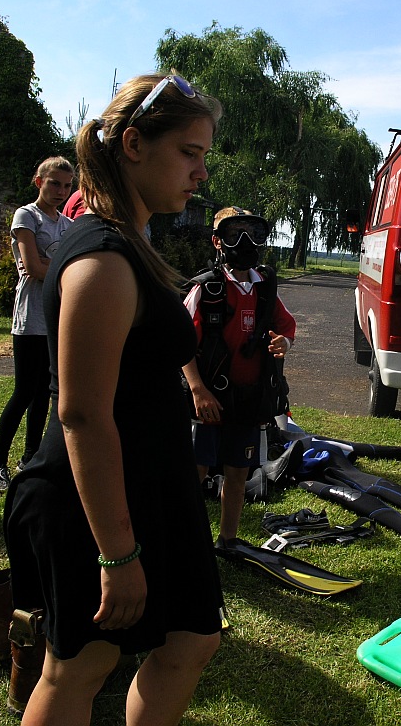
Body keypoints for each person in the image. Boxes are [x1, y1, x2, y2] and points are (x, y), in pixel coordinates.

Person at [3, 73, 224, 725]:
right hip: (90, 499)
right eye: (190, 152)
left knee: (192, 638)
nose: (201, 172)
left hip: (152, 481)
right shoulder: (102, 259)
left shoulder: (135, 242)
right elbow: (81, 414)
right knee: (79, 667)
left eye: (204, 156)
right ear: (133, 143)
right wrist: (117, 553)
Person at [182, 206, 295, 548]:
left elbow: (286, 325)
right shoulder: (207, 289)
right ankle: (184, 541)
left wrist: (283, 341)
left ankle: (227, 539)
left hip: (249, 400)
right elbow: (181, 344)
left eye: (253, 235)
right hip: (210, 402)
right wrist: (198, 389)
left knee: (238, 473)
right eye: (235, 235)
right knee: (196, 471)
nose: (245, 243)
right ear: (218, 242)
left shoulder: (265, 288)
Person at [0, 157, 74, 491]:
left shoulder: (67, 224)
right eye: (54, 184)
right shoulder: (26, 215)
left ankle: (30, 458)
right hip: (30, 316)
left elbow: (64, 268)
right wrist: (58, 268)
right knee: (23, 391)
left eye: (66, 185)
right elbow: (34, 268)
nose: (61, 191)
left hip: (55, 318)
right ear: (39, 182)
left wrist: (54, 266)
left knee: (43, 394)